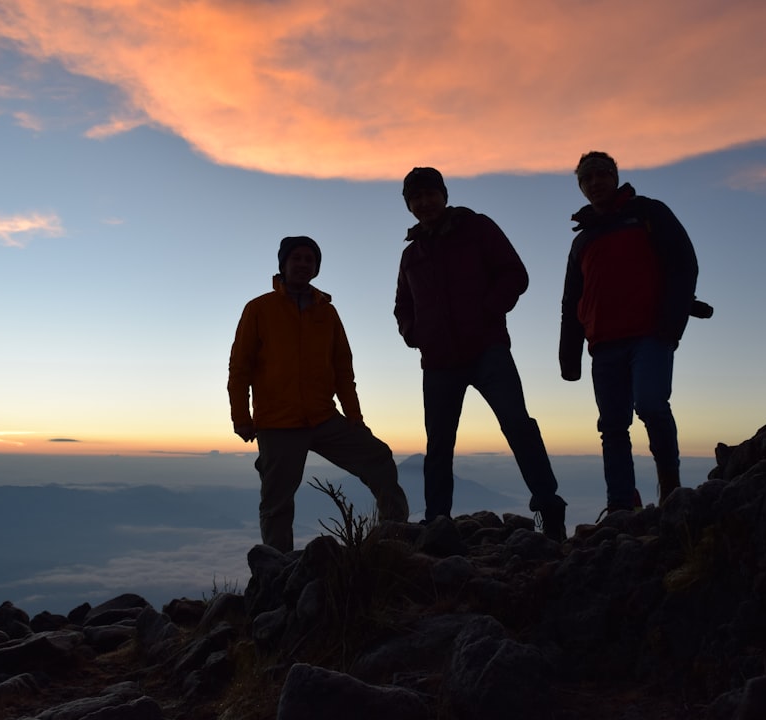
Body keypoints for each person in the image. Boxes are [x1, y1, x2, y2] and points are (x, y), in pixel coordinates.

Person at [394, 167, 569, 541]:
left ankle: (549, 509)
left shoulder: (477, 228)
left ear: (443, 194)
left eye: (429, 194)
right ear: (409, 206)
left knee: (517, 425)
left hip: (487, 350)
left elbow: (514, 274)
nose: (424, 203)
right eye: (415, 198)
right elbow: (402, 305)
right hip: (439, 361)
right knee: (439, 444)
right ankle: (438, 522)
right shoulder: (411, 255)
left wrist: (487, 312)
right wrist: (415, 334)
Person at [228, 235, 410, 552]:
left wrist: (354, 416)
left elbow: (343, 369)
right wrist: (241, 417)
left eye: (309, 260)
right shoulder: (259, 309)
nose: (302, 264)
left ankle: (394, 539)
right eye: (295, 258)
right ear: (283, 264)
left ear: (316, 268)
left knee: (378, 458)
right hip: (278, 422)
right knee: (277, 502)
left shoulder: (327, 313)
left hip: (323, 418)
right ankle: (278, 569)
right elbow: (240, 367)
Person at [559, 151, 707, 516]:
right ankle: (621, 506)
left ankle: (671, 490)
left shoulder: (648, 213)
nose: (594, 183)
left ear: (615, 176)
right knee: (612, 426)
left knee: (652, 406)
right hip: (603, 343)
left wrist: (672, 324)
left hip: (649, 333)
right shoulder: (582, 240)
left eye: (600, 175)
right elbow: (571, 300)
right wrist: (569, 355)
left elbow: (684, 264)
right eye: (586, 179)